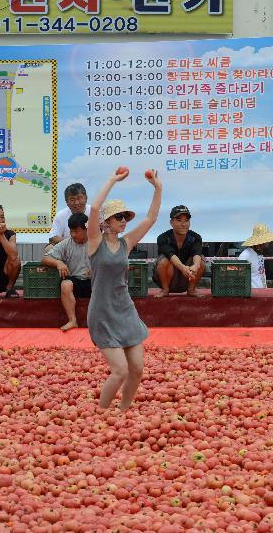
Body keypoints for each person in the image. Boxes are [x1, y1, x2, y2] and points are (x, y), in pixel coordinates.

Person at [87, 167, 161, 411]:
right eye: (118, 217)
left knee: (137, 368)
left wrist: (157, 188)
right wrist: (112, 179)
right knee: (119, 371)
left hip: (125, 310)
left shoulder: (126, 243)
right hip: (102, 312)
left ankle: (123, 412)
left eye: (124, 218)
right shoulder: (95, 243)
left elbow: (150, 219)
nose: (123, 221)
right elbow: (95, 209)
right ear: (106, 222)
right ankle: (101, 413)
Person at [41, 212, 91, 331]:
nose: (73, 235)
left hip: (95, 281)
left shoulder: (98, 241)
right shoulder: (67, 243)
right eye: (71, 231)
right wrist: (58, 263)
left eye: (76, 231)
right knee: (65, 284)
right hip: (75, 281)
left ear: (86, 229)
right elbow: (44, 259)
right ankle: (72, 321)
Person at [152, 205, 205, 298]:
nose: (183, 224)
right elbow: (170, 255)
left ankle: (191, 289)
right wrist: (183, 268)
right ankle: (165, 290)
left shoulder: (196, 237)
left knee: (200, 260)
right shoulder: (163, 238)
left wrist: (196, 266)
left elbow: (197, 253)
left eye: (186, 220)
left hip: (188, 277)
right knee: (163, 260)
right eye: (179, 220)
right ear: (171, 222)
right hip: (169, 278)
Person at [239, 224, 273, 289]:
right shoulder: (245, 256)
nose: (269, 241)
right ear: (260, 241)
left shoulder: (259, 254)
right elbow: (240, 279)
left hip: (261, 293)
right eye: (266, 239)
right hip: (252, 295)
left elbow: (260, 275)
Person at [0, 204, 20, 298]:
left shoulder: (10, 234)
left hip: (4, 277)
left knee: (16, 259)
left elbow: (13, 256)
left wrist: (1, 235)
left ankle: (9, 289)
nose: (0, 221)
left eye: (2, 217)